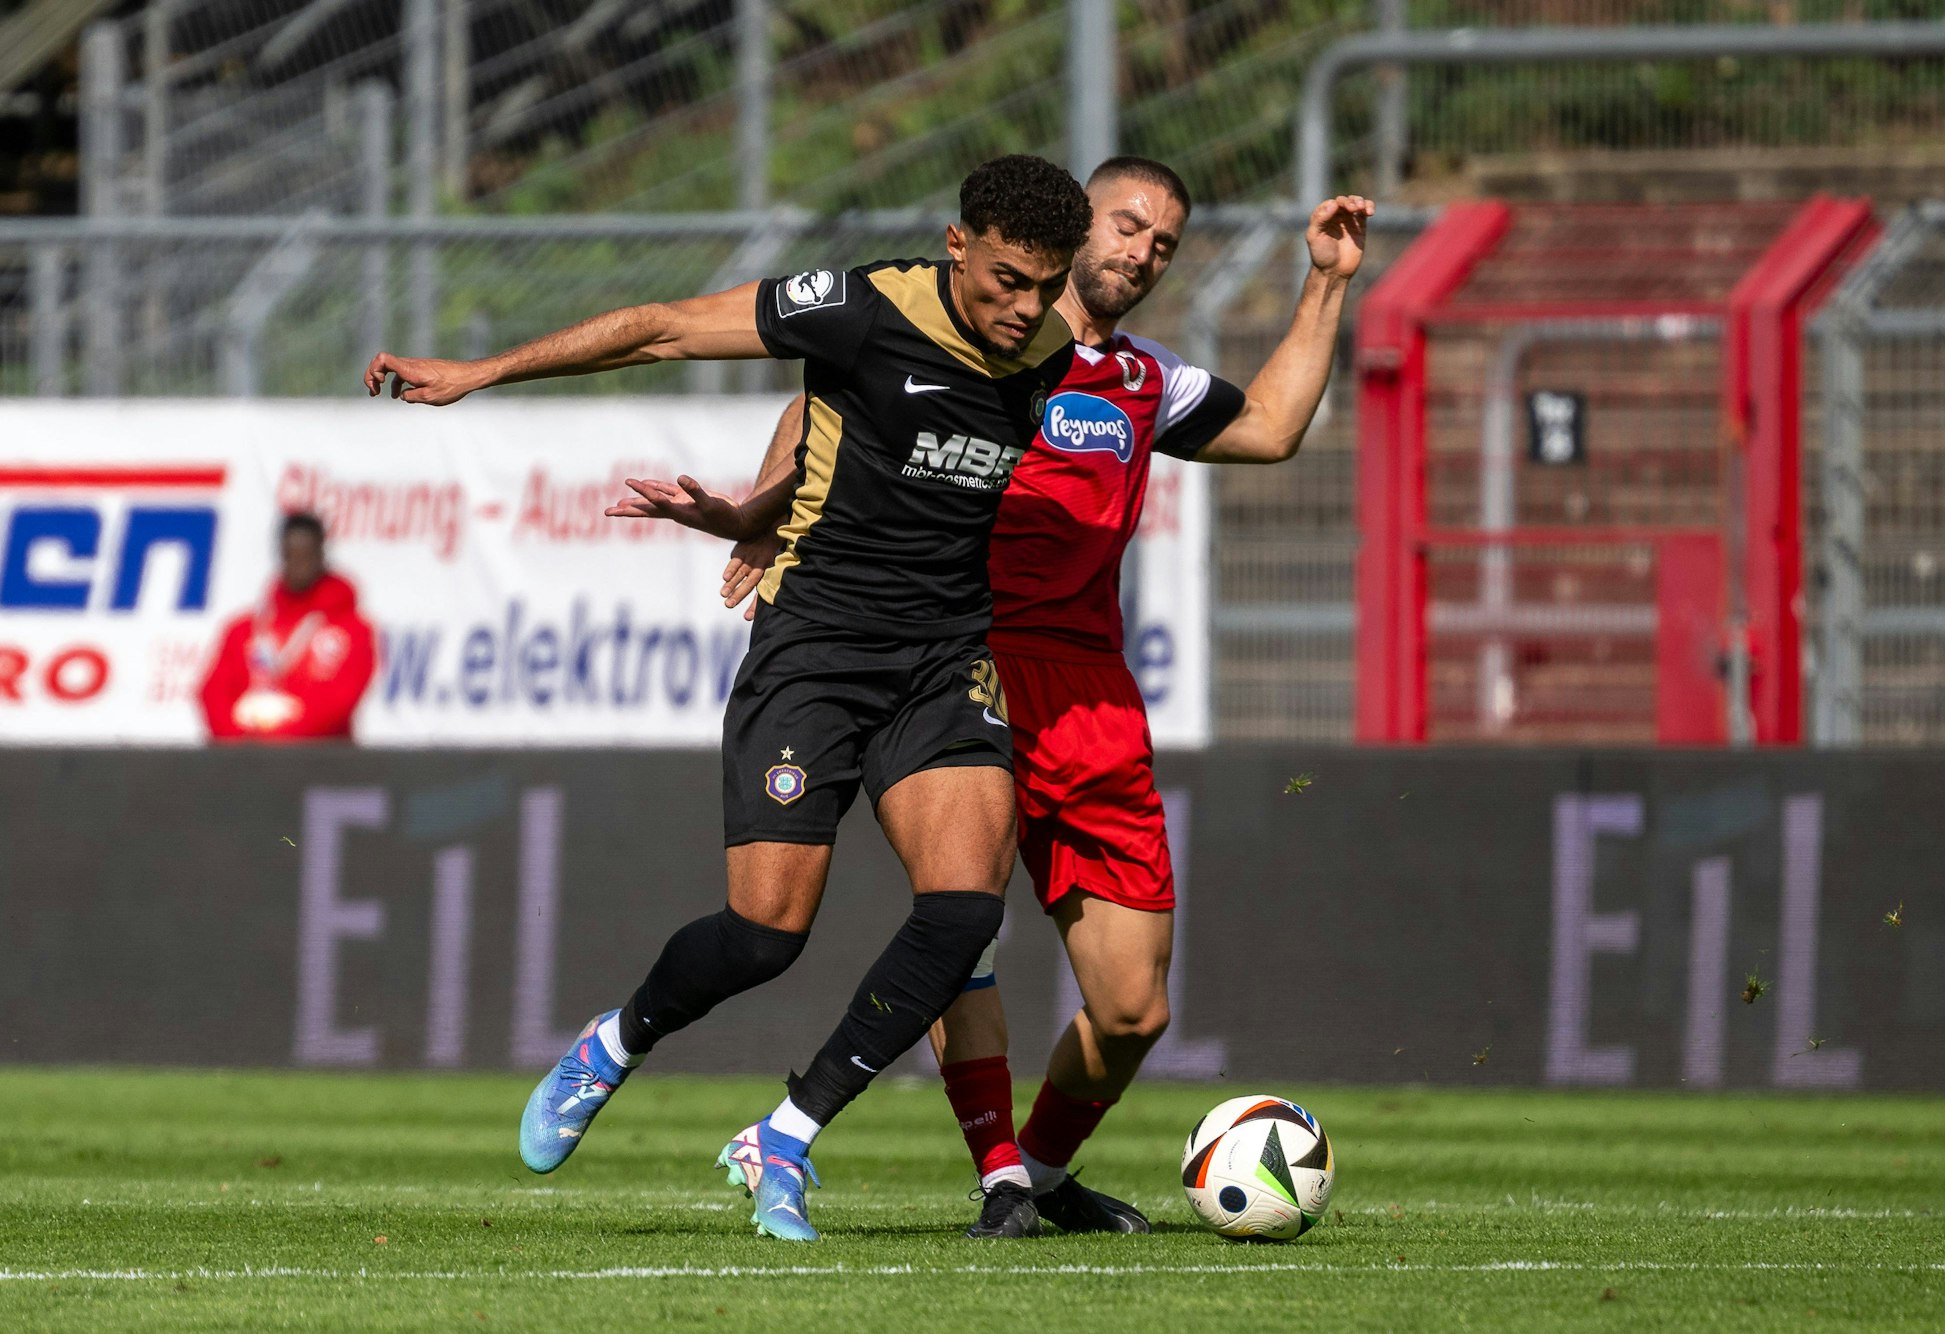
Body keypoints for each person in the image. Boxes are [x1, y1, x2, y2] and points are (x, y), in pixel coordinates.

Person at [611, 158, 1373, 1238]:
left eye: (1161, 243)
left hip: (1091, 691)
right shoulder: (972, 336)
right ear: (1073, 226)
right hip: (956, 653)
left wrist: (1326, 280)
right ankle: (994, 1174)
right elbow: (828, 398)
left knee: (1130, 1007)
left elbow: (1274, 427)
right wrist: (767, 513)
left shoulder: (1143, 383)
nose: (1139, 253)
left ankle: (1043, 1175)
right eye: (1124, 225)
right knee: (959, 919)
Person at [363, 154, 1092, 1242]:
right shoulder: (856, 307)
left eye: (1045, 284)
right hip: (816, 648)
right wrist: (484, 371)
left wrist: (756, 506)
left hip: (942, 658)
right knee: (765, 934)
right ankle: (615, 1040)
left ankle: (787, 1133)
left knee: (961, 911)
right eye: (1004, 279)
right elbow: (662, 327)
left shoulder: (1048, 354)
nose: (1023, 307)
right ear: (956, 245)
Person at [198, 512, 376, 742]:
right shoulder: (244, 629)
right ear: (280, 555)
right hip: (246, 763)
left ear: (321, 554)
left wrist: (278, 737)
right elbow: (213, 692)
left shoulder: (352, 630)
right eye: (291, 555)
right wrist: (239, 739)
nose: (298, 564)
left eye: (306, 555)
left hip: (319, 762)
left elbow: (339, 701)